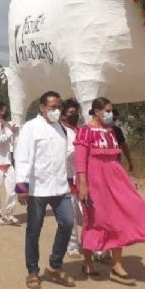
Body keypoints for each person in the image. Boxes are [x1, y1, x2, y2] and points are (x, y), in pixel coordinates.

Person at [76, 97, 145, 285]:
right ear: (97, 111)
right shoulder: (85, 132)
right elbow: (80, 161)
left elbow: (116, 158)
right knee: (94, 221)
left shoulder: (111, 131)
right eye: (107, 110)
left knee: (122, 216)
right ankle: (87, 262)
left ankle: (116, 265)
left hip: (115, 179)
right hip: (95, 182)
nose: (110, 114)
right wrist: (84, 184)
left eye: (111, 110)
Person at [15, 91, 75, 289]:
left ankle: (55, 266)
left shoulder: (62, 129)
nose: (57, 111)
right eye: (53, 107)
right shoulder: (30, 128)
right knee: (34, 230)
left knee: (67, 223)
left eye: (59, 107)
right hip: (37, 188)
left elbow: (66, 158)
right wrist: (22, 186)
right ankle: (32, 271)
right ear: (42, 107)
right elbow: (22, 157)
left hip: (60, 187)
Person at [60, 98, 83, 259]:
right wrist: (76, 148)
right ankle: (72, 246)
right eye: (70, 113)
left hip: (83, 178)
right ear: (64, 115)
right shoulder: (62, 131)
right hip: (68, 178)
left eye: (76, 112)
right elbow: (61, 155)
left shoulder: (80, 130)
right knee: (72, 216)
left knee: (90, 215)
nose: (74, 115)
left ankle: (97, 248)